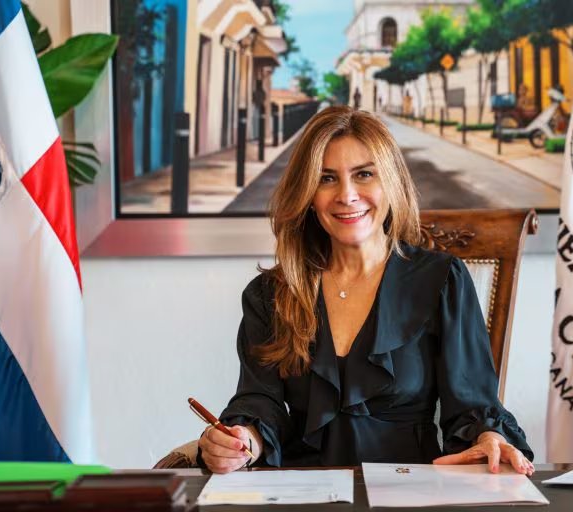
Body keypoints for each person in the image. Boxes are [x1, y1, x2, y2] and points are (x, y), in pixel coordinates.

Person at [198, 106, 534, 475]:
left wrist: (489, 437)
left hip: (411, 489)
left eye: (364, 174)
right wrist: (243, 441)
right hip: (304, 490)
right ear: (308, 194)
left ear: (391, 181)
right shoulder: (270, 294)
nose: (346, 195)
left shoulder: (443, 280)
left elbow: (472, 405)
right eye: (326, 178)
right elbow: (261, 404)